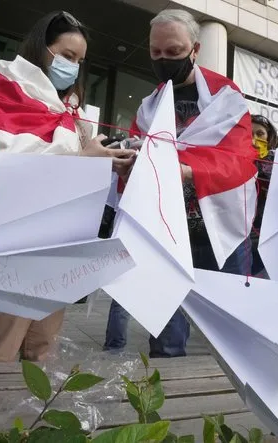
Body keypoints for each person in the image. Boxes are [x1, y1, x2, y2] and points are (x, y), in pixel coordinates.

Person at [0, 11, 136, 362]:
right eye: (67, 56)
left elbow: (71, 163)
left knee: (43, 350)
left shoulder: (65, 110)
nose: (73, 67)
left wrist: (105, 159)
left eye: (80, 61)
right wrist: (81, 158)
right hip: (10, 250)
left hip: (56, 248)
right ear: (41, 49)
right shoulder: (6, 89)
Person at [104, 9, 257, 357]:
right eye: (156, 53)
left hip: (221, 233)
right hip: (169, 234)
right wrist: (124, 163)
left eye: (173, 52)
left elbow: (240, 161)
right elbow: (136, 156)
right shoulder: (149, 105)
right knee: (164, 338)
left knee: (234, 336)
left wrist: (184, 168)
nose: (163, 60)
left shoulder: (225, 95)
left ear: (195, 49)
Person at [250, 114, 278, 277]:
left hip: (269, 234)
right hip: (242, 234)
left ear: (269, 137)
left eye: (260, 134)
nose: (254, 140)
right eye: (249, 134)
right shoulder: (233, 158)